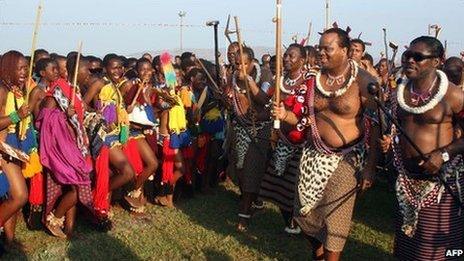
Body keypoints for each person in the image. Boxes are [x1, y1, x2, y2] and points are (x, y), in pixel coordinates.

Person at [274, 28, 379, 260]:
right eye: (320, 47)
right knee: (305, 216)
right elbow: (300, 118)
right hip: (312, 156)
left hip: (347, 158)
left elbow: (376, 125)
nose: (321, 52)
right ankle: (318, 253)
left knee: (336, 222)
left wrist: (370, 167)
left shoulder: (363, 81)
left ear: (344, 50)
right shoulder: (312, 79)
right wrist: (284, 115)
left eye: (327, 48)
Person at [380, 36, 464, 261]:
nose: (410, 61)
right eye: (408, 55)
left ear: (437, 61)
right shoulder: (400, 93)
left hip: (440, 186)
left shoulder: (454, 95)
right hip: (406, 181)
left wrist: (443, 154)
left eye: (418, 57)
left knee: (432, 253)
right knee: (406, 248)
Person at [260, 43, 307, 234]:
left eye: (291, 56)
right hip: (282, 139)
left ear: (302, 60)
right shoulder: (278, 81)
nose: (286, 59)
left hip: (304, 143)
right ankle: (289, 222)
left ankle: (302, 224)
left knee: (298, 187)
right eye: (285, 55)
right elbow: (264, 101)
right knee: (278, 184)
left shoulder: (310, 83)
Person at [83, 54, 138, 213]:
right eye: (114, 67)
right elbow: (83, 104)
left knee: (113, 172)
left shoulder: (115, 85)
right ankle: (96, 198)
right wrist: (97, 114)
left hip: (116, 134)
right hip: (104, 137)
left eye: (120, 67)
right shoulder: (99, 83)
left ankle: (102, 203)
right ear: (105, 68)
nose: (118, 70)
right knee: (127, 172)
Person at [228, 46, 272, 232]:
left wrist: (250, 83)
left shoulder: (265, 76)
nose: (240, 68)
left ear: (252, 62)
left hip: (259, 129)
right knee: (238, 169)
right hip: (239, 128)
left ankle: (244, 214)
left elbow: (263, 99)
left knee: (251, 169)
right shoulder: (232, 76)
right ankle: (255, 198)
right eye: (237, 64)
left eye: (244, 64)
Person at [0, 51, 33, 249]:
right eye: (20, 68)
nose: (25, 72)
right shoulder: (2, 90)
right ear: (8, 68)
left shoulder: (15, 89)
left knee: (12, 198)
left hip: (14, 147)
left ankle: (9, 241)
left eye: (26, 68)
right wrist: (16, 116)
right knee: (20, 196)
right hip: (3, 149)